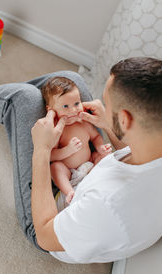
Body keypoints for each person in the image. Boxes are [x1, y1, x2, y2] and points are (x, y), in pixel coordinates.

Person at [0, 57, 162, 264]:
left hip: (50, 221)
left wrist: (42, 150)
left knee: (23, 98)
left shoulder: (107, 204)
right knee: (70, 79)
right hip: (88, 173)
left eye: (107, 104)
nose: (100, 105)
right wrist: (106, 123)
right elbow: (138, 152)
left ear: (124, 120)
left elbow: (44, 235)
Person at [40, 76, 112, 205]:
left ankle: (99, 180)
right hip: (68, 172)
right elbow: (51, 155)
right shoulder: (57, 129)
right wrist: (68, 150)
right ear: (50, 110)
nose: (73, 110)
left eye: (77, 104)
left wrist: (100, 147)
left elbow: (95, 137)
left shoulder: (83, 121)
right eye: (65, 106)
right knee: (55, 167)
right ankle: (70, 192)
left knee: (103, 157)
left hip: (89, 165)